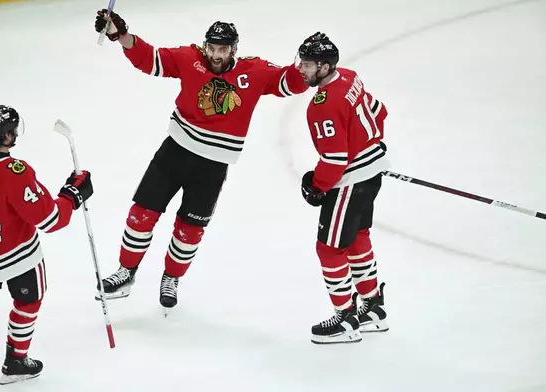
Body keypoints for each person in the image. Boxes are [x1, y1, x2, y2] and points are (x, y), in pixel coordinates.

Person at [93, 11, 309, 310]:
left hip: (212, 165)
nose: (216, 55)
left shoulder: (254, 71)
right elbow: (150, 60)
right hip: (174, 152)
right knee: (141, 215)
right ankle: (126, 272)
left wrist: (304, 62)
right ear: (205, 46)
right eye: (212, 48)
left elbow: (290, 83)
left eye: (223, 50)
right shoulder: (189, 58)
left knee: (189, 230)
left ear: (234, 50)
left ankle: (171, 278)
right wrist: (121, 35)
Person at [0, 105, 94, 389]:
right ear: (9, 136)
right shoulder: (16, 173)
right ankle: (16, 361)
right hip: (17, 257)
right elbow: (50, 219)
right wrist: (73, 194)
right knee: (28, 302)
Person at [296, 32, 390, 344]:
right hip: (371, 173)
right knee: (357, 237)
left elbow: (335, 159)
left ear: (324, 67)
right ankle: (373, 309)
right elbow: (379, 111)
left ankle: (346, 318)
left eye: (307, 64)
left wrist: (317, 186)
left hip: (349, 181)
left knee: (330, 248)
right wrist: (369, 145)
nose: (300, 69)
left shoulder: (322, 105)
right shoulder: (350, 77)